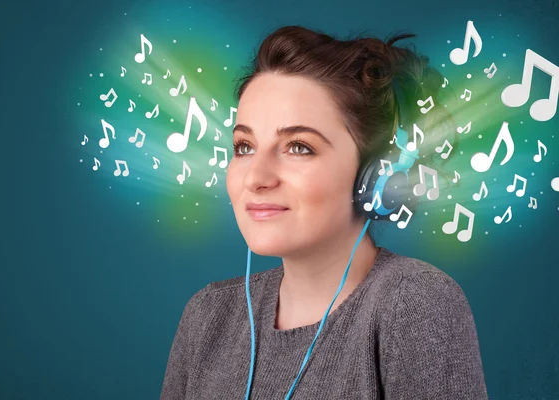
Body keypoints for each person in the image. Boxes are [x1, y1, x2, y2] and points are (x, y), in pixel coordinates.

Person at [160, 25, 488, 399]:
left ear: (377, 173)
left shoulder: (414, 303)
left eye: (299, 147)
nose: (256, 177)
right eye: (244, 146)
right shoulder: (208, 315)